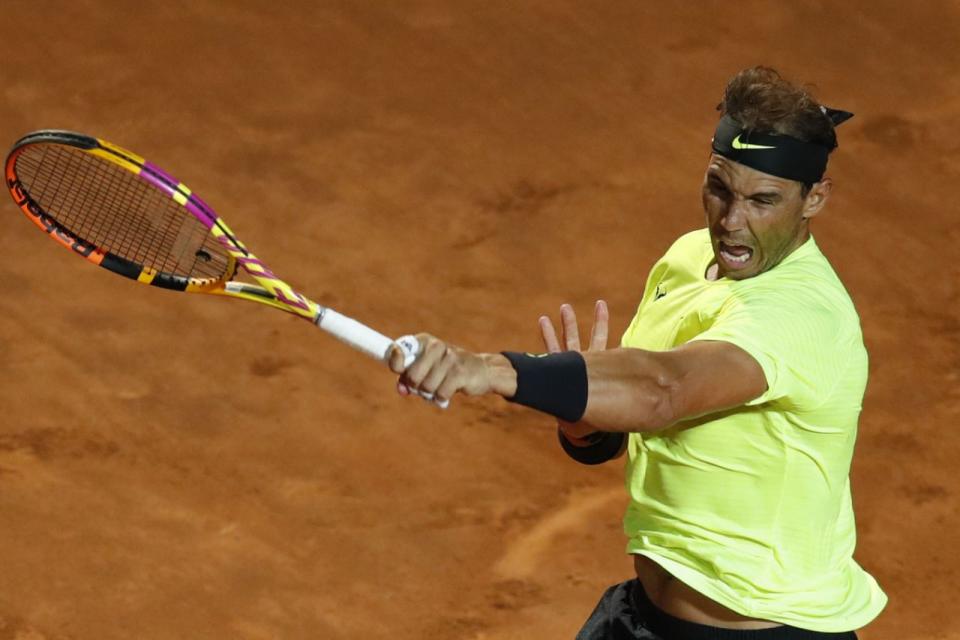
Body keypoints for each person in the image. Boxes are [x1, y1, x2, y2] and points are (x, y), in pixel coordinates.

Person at [389, 66, 887, 639]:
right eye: (719, 189)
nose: (731, 222)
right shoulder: (688, 257)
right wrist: (584, 422)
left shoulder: (802, 314)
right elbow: (619, 428)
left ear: (813, 200)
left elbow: (661, 390)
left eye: (763, 200)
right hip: (643, 618)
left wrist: (490, 370)